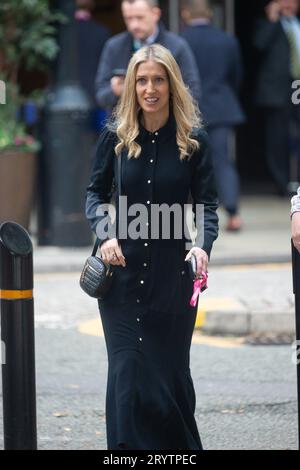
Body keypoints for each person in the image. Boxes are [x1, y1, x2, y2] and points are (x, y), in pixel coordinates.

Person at [85, 44, 219, 450]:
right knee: (126, 373)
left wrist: (203, 247)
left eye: (158, 79)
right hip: (121, 279)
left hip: (173, 280)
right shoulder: (116, 136)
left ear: (171, 84)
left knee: (169, 376)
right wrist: (106, 234)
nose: (149, 88)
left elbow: (208, 204)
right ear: (131, 86)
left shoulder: (194, 141)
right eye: (141, 80)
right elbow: (94, 194)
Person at [181, 0, 245, 232]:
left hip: (189, 109)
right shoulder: (227, 40)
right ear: (210, 14)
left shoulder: (181, 41)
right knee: (222, 160)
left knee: (186, 162)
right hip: (221, 106)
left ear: (185, 14)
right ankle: (233, 213)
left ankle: (187, 216)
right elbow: (236, 76)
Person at [94, 0, 201, 111]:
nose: (134, 25)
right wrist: (115, 91)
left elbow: (193, 93)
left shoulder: (177, 47)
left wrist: (162, 93)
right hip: (123, 125)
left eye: (140, 17)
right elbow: (101, 95)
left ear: (156, 14)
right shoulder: (114, 47)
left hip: (166, 123)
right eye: (128, 18)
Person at [253, 0, 300, 196]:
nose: (288, 4)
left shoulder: (298, 24)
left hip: (297, 87)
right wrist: (272, 20)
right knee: (277, 138)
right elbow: (258, 45)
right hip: (277, 92)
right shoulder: (266, 24)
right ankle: (282, 184)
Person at [75, 0, 111, 132]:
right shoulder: (102, 32)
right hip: (94, 98)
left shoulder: (61, 34)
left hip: (67, 100)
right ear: (92, 5)